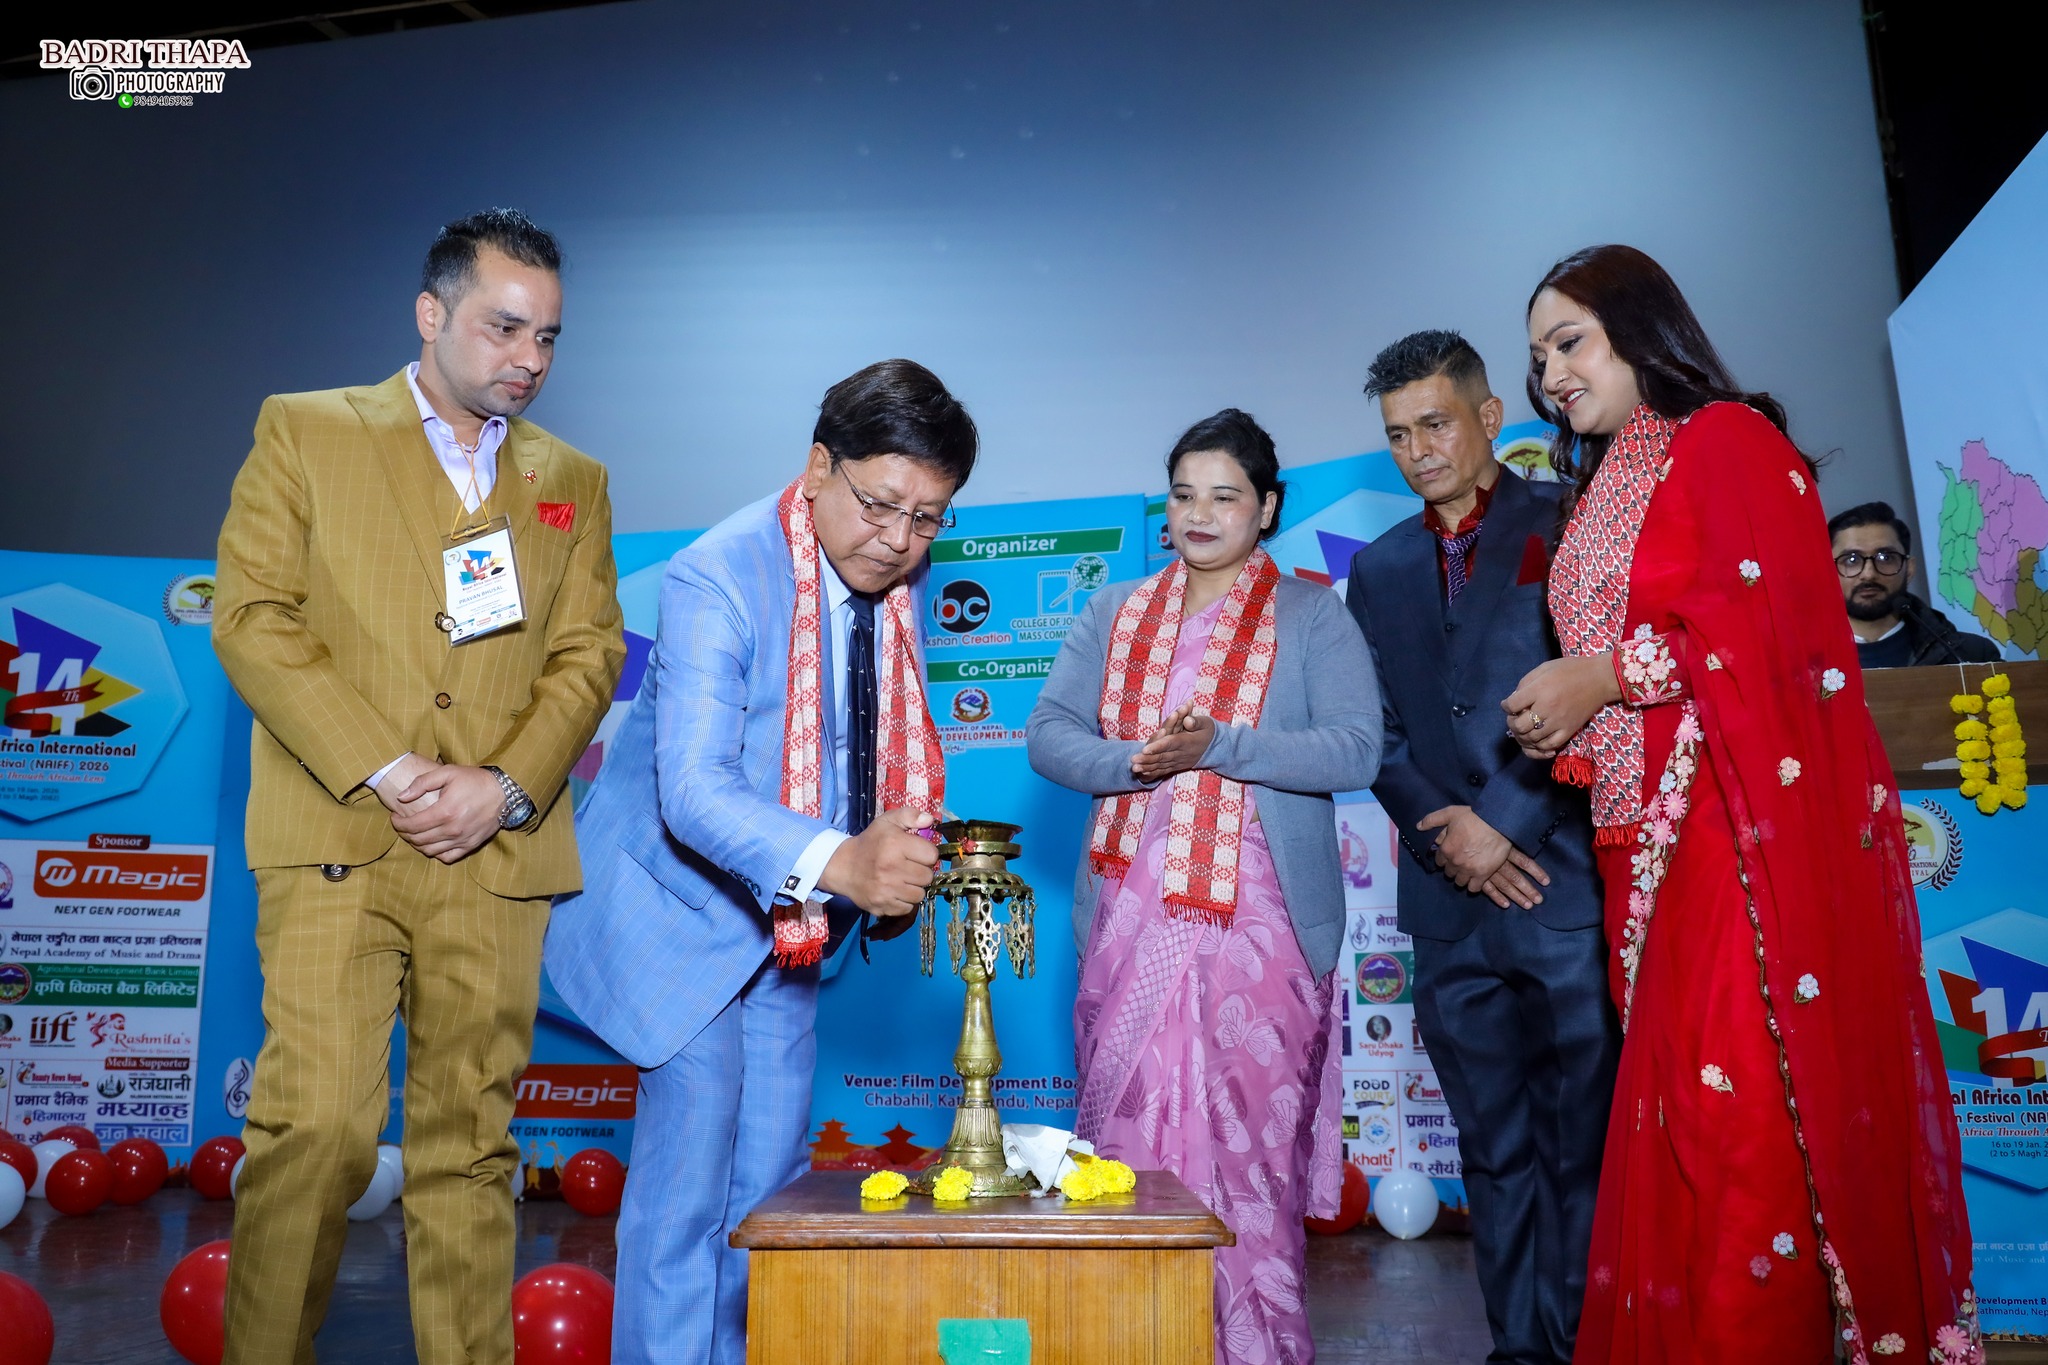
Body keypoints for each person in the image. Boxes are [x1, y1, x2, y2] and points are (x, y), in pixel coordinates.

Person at [1507, 244, 1976, 1364]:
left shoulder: (1722, 439)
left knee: (1738, 1129)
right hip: (1631, 841)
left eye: (1569, 342)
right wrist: (1567, 710)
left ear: (1639, 328)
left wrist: (1600, 678)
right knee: (1684, 1125)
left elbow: (1775, 630)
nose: (1551, 376)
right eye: (1537, 359)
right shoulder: (1602, 478)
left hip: (1726, 826)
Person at [212, 209, 625, 1365]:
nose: (529, 359)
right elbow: (250, 619)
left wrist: (502, 787)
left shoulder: (571, 480)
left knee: (469, 1151)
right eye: (505, 327)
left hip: (493, 857)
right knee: (315, 1134)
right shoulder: (305, 429)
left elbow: (588, 654)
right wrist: (392, 770)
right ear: (430, 314)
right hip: (337, 835)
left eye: (548, 337)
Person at [543, 359, 975, 1364]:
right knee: (686, 1202)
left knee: (767, 1199)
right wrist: (844, 860)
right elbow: (693, 791)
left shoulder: (893, 581)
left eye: (928, 518)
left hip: (788, 927)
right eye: (880, 505)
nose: (899, 539)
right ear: (819, 467)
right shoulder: (717, 574)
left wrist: (902, 838)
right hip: (685, 917)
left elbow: (854, 740)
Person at [1028, 409, 1382, 1365]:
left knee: (1250, 1158)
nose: (1200, 513)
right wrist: (1136, 761)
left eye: (1225, 496)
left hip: (1264, 934)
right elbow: (1049, 733)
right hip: (1128, 920)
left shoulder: (1311, 615)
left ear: (1266, 507)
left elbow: (1358, 746)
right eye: (1184, 494)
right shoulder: (1115, 612)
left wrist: (1222, 746)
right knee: (1128, 1154)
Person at [1344, 330, 1616, 1365]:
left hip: (1556, 883)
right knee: (1492, 1149)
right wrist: (1453, 838)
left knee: (1580, 1148)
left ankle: (1583, 1344)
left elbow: (1597, 689)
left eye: (1435, 424)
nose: (1417, 450)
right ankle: (1516, 1348)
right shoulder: (1378, 566)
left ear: (1489, 416)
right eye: (1396, 434)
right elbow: (1373, 731)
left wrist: (1499, 821)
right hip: (1446, 903)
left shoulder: (1569, 519)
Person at [1829, 500, 2001, 667]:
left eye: (1885, 558)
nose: (1869, 574)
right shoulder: (1812, 662)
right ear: (1825, 572)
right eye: (1851, 560)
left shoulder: (1972, 656)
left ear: (1909, 568)